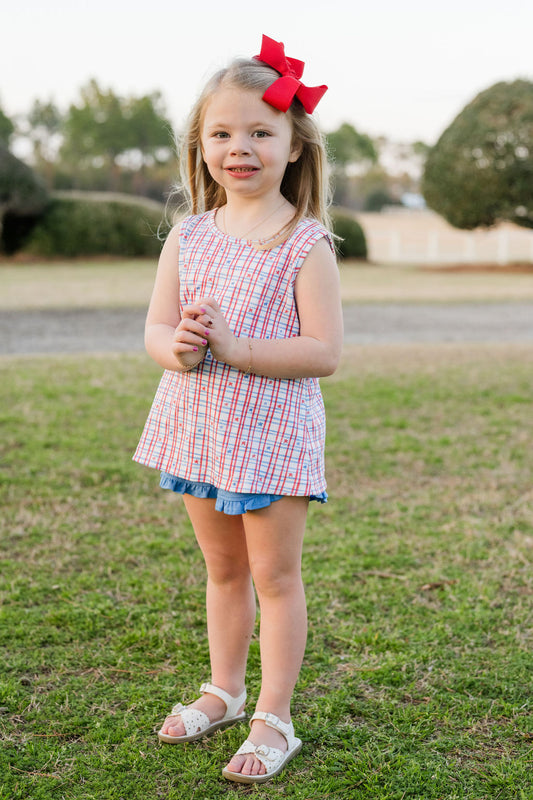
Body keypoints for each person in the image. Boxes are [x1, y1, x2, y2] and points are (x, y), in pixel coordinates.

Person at [133, 34, 343, 784]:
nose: (239, 147)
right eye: (222, 133)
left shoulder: (303, 242)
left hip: (273, 437)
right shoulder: (188, 235)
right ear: (201, 145)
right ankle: (222, 692)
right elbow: (157, 330)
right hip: (200, 429)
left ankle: (273, 719)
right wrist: (181, 349)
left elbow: (322, 351)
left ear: (292, 146)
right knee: (222, 574)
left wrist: (236, 346)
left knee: (274, 578)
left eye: (260, 131)